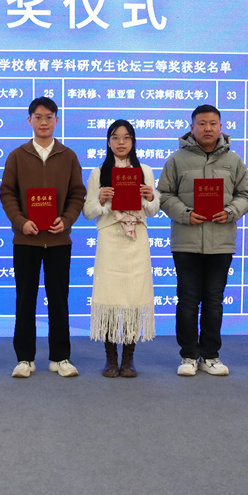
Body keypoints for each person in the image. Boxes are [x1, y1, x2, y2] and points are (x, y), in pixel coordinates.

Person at [157, 104, 248, 377]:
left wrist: (231, 211)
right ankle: (188, 355)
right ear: (192, 127)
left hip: (221, 242)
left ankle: (210, 356)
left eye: (213, 123)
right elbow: (163, 195)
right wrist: (185, 213)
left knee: (213, 301)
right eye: (202, 123)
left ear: (220, 127)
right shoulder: (177, 159)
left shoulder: (233, 160)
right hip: (186, 241)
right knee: (187, 301)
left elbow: (246, 195)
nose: (207, 128)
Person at [0, 97, 87, 378]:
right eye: (38, 117)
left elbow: (77, 194)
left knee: (59, 299)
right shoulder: (17, 155)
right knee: (25, 299)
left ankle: (60, 357)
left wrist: (67, 219)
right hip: (26, 240)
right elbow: (7, 193)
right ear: (29, 120)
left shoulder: (68, 156)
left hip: (58, 240)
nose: (44, 122)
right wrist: (21, 222)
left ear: (57, 120)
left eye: (49, 117)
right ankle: (24, 358)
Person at [83, 119, 160, 377]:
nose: (121, 142)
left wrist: (150, 197)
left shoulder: (144, 170)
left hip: (136, 241)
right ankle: (110, 360)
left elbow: (154, 209)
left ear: (133, 142)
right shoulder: (98, 173)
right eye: (115, 137)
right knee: (108, 297)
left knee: (134, 298)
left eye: (126, 137)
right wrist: (100, 199)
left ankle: (128, 359)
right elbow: (88, 212)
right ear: (108, 142)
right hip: (110, 241)